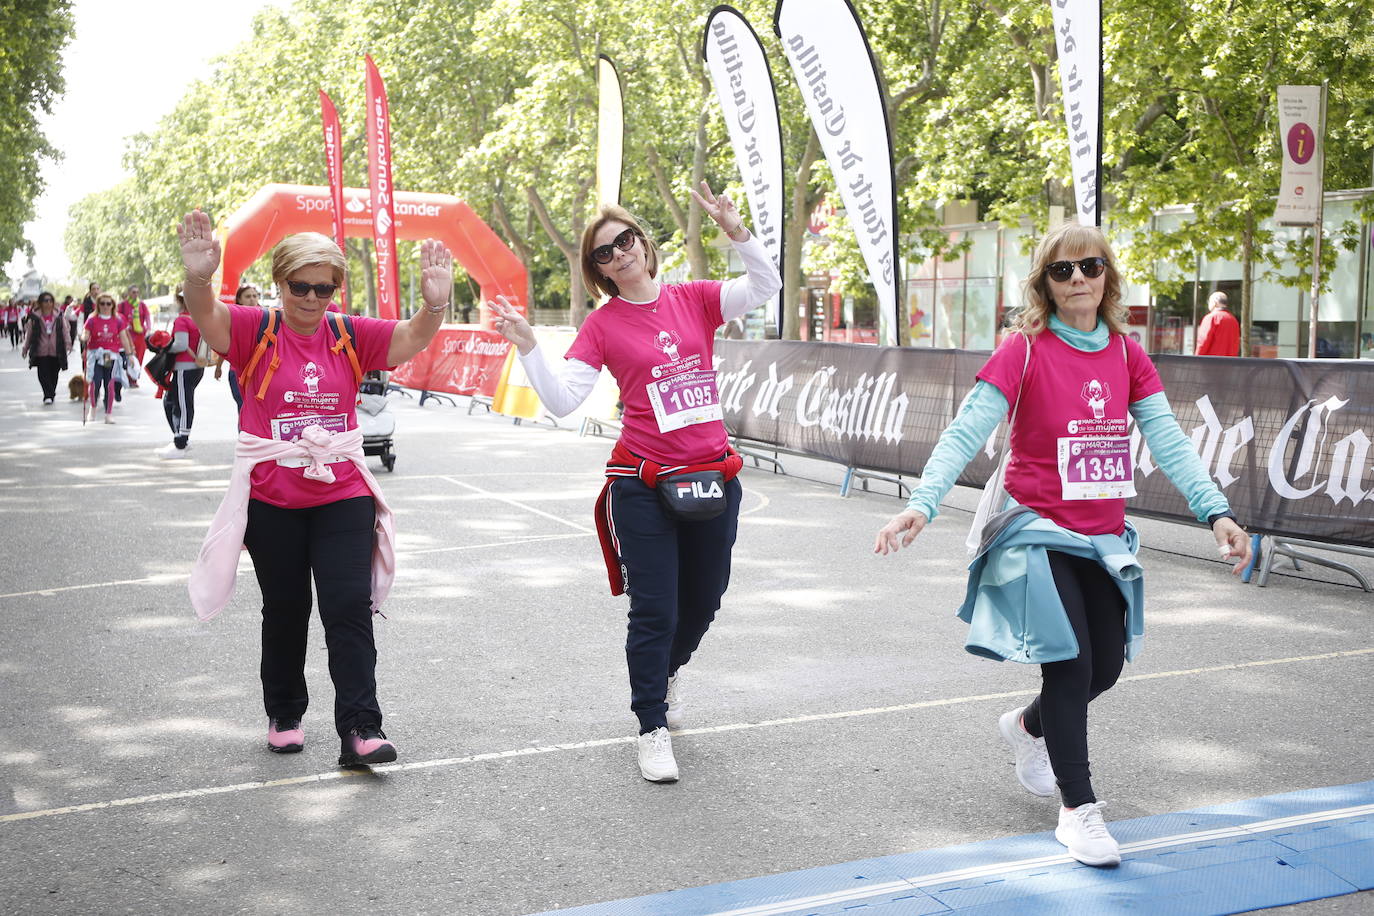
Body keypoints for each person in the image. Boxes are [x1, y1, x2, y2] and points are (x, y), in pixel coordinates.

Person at [874, 222, 1250, 867]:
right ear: (1045, 284)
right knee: (1071, 663)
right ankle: (1079, 811)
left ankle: (1028, 726)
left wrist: (1216, 511)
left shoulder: (1129, 355)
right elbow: (968, 431)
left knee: (1104, 668)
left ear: (1108, 276)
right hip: (1034, 528)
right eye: (1062, 270)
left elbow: (1168, 442)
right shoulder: (1022, 350)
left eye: (1091, 266)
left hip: (1102, 536)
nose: (1078, 278)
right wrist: (922, 502)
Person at [491, 183, 781, 783]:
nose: (619, 253)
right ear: (598, 271)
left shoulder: (696, 299)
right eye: (604, 252)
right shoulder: (602, 327)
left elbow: (765, 287)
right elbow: (564, 401)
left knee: (704, 599)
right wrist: (528, 348)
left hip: (712, 479)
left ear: (644, 244)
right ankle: (651, 725)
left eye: (625, 240)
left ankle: (665, 675)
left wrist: (737, 232)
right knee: (655, 610)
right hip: (643, 484)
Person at [178, 208, 452, 767]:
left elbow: (410, 338)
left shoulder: (349, 333)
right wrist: (200, 278)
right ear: (279, 284)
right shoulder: (255, 328)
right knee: (285, 608)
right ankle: (285, 712)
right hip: (274, 496)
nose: (311, 297)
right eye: (300, 286)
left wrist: (435, 303)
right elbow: (207, 316)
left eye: (324, 287)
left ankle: (360, 728)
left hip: (341, 493)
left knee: (348, 605)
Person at [155, 288, 207, 458]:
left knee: (182, 404)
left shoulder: (182, 320)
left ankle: (181, 442)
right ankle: (180, 437)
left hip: (184, 368)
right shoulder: (199, 318)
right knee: (172, 401)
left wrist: (163, 345)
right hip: (196, 367)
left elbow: (180, 345)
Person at [82, 293, 134, 424]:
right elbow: (85, 333)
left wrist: (130, 355)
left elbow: (124, 338)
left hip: (110, 356)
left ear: (112, 305)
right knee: (95, 382)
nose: (105, 306)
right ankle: (93, 408)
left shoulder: (117, 320)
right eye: (102, 303)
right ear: (98, 305)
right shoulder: (92, 319)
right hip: (95, 355)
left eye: (108, 303)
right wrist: (84, 337)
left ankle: (108, 414)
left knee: (109, 384)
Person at [212, 284, 258, 412]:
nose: (252, 299)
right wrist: (218, 367)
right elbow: (225, 346)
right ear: (239, 299)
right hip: (237, 371)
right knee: (243, 408)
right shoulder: (232, 318)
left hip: (259, 370)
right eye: (248, 296)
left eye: (255, 296)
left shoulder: (266, 316)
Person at [21, 291, 72, 404]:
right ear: (40, 302)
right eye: (45, 300)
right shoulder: (35, 317)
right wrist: (25, 348)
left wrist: (68, 344)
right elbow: (29, 334)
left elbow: (65, 331)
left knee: (54, 373)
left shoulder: (59, 315)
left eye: (50, 300)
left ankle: (51, 392)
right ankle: (47, 395)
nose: (48, 303)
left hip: (56, 349)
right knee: (42, 374)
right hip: (41, 350)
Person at [1195, 291, 1240, 356]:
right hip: (1230, 363)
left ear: (1215, 303)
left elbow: (1203, 342)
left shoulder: (1211, 318)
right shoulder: (1233, 320)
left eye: (1209, 302)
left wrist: (1196, 359)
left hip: (1211, 363)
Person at [118, 285, 153, 365]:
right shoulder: (123, 305)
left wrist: (148, 328)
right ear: (129, 293)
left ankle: (135, 376)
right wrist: (126, 324)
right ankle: (128, 377)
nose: (136, 294)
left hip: (140, 335)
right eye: (133, 292)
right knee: (128, 359)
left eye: (137, 292)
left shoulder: (141, 304)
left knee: (139, 359)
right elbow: (118, 317)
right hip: (127, 335)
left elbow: (147, 316)